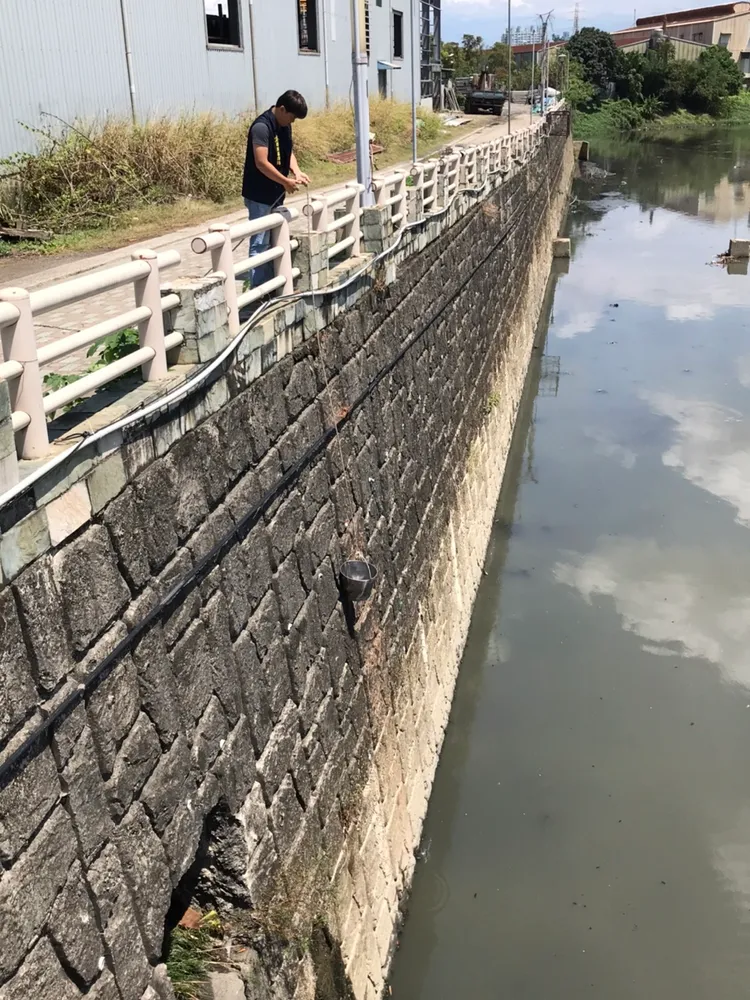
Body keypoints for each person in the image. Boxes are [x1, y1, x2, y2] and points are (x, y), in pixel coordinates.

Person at [242, 90, 310, 288]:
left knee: (275, 240)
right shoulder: (261, 128)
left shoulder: (284, 125)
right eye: (292, 117)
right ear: (282, 109)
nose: (293, 122)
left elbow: (288, 153)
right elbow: (261, 163)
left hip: (275, 194)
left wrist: (296, 172)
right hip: (259, 195)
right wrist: (284, 181)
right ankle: (258, 290)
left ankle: (273, 286)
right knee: (260, 243)